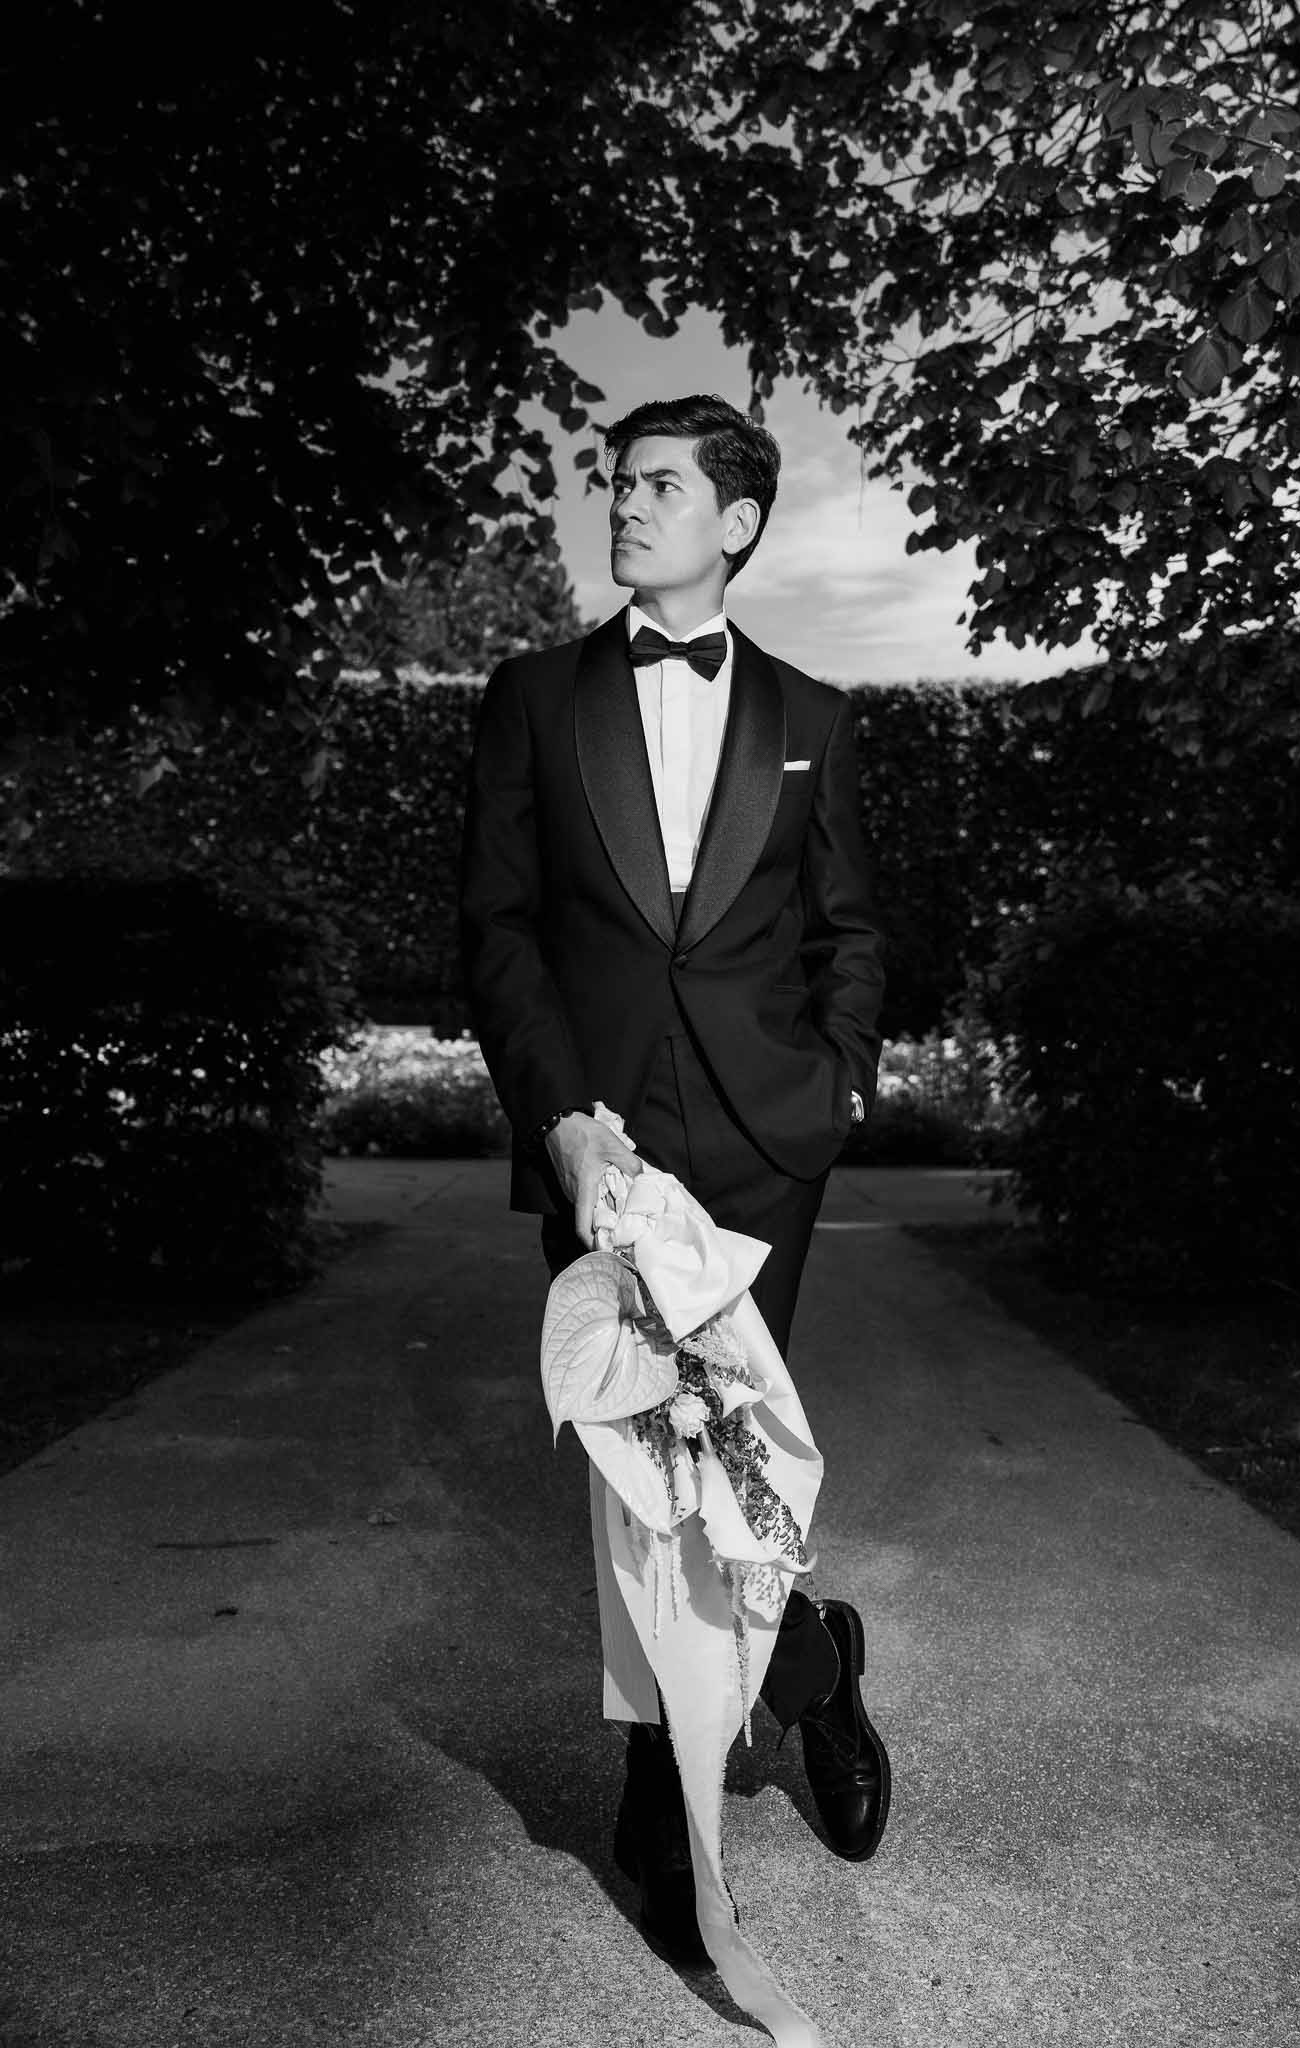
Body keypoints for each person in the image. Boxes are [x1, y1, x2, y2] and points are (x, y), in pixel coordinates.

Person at [459, 392, 889, 1965]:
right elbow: (496, 932)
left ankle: (803, 1675)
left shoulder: (811, 717)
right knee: (636, 1464)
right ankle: (671, 1761)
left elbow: (848, 932)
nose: (625, 504)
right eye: (617, 481)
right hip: (602, 1147)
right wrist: (558, 1124)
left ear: (737, 521)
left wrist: (836, 1086)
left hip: (765, 1145)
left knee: (741, 1454)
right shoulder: (530, 698)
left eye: (657, 485)